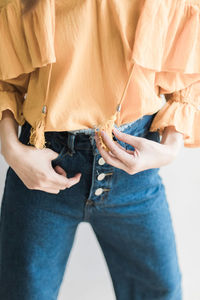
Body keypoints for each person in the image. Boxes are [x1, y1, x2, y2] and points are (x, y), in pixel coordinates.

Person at [0, 0, 200, 299]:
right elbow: (5, 74)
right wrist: (11, 150)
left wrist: (171, 148)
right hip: (41, 163)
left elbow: (190, 69)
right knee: (22, 293)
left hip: (134, 171)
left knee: (160, 292)